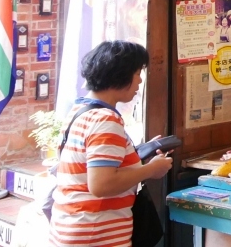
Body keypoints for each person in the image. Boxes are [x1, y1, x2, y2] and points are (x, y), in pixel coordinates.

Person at [50, 41, 172, 247]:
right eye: (137, 73)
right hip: (95, 233)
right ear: (121, 75)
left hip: (73, 227)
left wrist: (138, 155)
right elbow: (101, 184)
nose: (140, 81)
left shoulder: (80, 111)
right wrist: (151, 169)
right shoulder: (105, 120)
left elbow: (94, 164)